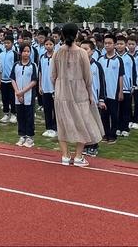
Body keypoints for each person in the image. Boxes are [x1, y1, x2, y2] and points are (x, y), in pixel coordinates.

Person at [51, 23, 104, 166]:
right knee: (83, 122)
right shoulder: (82, 53)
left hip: (62, 92)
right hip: (79, 92)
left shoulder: (57, 52)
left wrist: (57, 87)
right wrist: (90, 94)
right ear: (76, 35)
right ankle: (78, 156)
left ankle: (65, 155)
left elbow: (52, 75)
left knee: (62, 123)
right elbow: (88, 77)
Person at [80, 40, 106, 157]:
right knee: (83, 124)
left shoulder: (97, 66)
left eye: (86, 49)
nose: (83, 52)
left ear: (92, 51)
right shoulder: (77, 65)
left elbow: (102, 83)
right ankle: (85, 145)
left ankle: (94, 146)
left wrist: (101, 99)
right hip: (81, 100)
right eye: (81, 49)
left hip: (94, 100)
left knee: (93, 124)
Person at [98, 34, 124, 144]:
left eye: (110, 43)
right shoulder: (100, 59)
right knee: (104, 114)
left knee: (114, 114)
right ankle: (105, 133)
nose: (107, 45)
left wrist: (121, 91)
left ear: (114, 45)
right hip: (103, 93)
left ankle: (113, 134)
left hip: (114, 92)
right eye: (106, 43)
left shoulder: (118, 60)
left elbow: (121, 76)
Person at [11, 44, 38, 148]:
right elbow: (12, 78)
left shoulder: (33, 65)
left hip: (28, 96)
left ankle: (30, 137)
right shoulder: (16, 65)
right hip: (18, 95)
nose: (26, 53)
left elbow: (34, 81)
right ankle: (22, 135)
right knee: (20, 116)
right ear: (20, 52)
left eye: (28, 51)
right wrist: (17, 92)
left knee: (29, 116)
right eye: (24, 51)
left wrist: (22, 92)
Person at [39, 37, 57, 138]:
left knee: (56, 109)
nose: (48, 46)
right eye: (46, 44)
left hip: (54, 88)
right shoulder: (42, 57)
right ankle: (48, 127)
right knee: (47, 109)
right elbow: (40, 72)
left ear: (54, 45)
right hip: (45, 87)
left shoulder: (57, 56)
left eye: (50, 44)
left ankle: (55, 128)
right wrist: (40, 85)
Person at [0, 35, 19, 124]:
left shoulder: (14, 54)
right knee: (4, 97)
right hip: (3, 80)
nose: (6, 45)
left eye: (8, 43)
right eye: (5, 43)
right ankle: (6, 113)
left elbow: (16, 65)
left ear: (12, 43)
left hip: (11, 80)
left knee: (12, 97)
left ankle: (14, 114)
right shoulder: (1, 54)